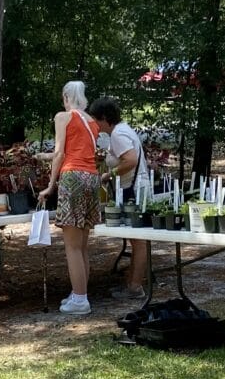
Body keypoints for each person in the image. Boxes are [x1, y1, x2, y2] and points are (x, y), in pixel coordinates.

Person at [39, 81, 101, 315]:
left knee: (72, 247)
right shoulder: (92, 122)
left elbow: (60, 154)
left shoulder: (63, 117)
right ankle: (79, 293)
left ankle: (80, 300)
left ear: (66, 97)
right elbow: (79, 151)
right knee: (82, 246)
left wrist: (50, 186)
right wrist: (44, 156)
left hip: (72, 178)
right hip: (92, 178)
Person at [90, 96, 150, 300]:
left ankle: (135, 287)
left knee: (139, 241)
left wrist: (109, 174)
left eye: (96, 120)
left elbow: (130, 160)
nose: (95, 124)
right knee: (136, 240)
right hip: (135, 187)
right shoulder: (122, 130)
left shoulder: (118, 133)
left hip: (133, 190)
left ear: (104, 118)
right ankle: (132, 283)